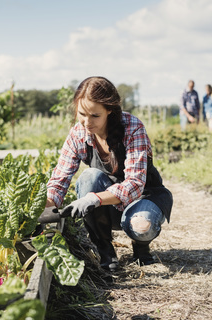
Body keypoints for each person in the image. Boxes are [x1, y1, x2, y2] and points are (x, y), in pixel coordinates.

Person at [46, 76, 173, 272]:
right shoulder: (78, 134)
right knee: (89, 177)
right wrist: (44, 206)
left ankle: (141, 246)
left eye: (95, 116)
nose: (87, 122)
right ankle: (106, 253)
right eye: (82, 114)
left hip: (145, 197)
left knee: (141, 227)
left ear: (109, 110)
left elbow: (135, 184)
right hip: (108, 206)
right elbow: (59, 181)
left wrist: (94, 198)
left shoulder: (132, 127)